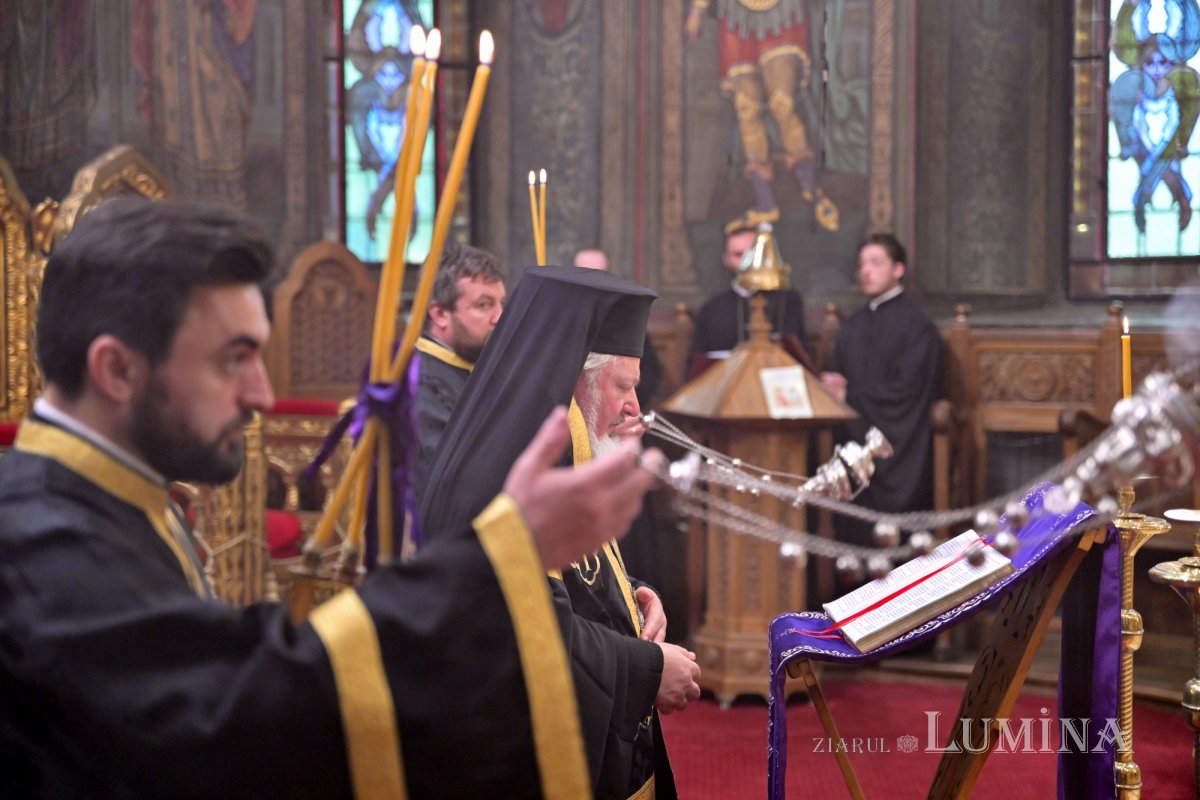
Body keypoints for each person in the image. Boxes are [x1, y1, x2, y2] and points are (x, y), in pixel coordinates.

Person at [0, 197, 664, 798]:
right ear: (117, 370)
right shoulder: (41, 540)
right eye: (233, 358)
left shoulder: (114, 501)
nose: (263, 393)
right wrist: (502, 558)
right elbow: (243, 719)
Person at [421, 266, 702, 800]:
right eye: (624, 387)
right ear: (574, 378)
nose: (634, 409)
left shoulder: (559, 454)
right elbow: (521, 631)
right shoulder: (502, 479)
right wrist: (646, 670)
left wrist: (633, 596)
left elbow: (578, 580)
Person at [820, 233, 942, 548]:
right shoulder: (854, 324)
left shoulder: (917, 324)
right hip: (852, 444)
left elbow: (907, 391)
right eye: (862, 264)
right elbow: (841, 377)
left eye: (876, 263)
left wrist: (851, 397)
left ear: (898, 269)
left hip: (900, 449)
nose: (866, 271)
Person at [684, 0, 838, 232]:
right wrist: (697, 10)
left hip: (781, 12)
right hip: (736, 17)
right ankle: (765, 203)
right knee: (747, 112)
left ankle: (810, 189)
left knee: (781, 104)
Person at [411, 243, 506, 504]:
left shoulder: (475, 367)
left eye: (502, 304)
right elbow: (448, 487)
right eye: (484, 305)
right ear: (440, 314)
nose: (500, 318)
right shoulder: (419, 384)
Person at [689, 226, 807, 373]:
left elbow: (797, 357)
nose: (746, 261)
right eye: (738, 254)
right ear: (726, 259)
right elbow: (697, 366)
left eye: (751, 253)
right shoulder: (711, 310)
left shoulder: (787, 301)